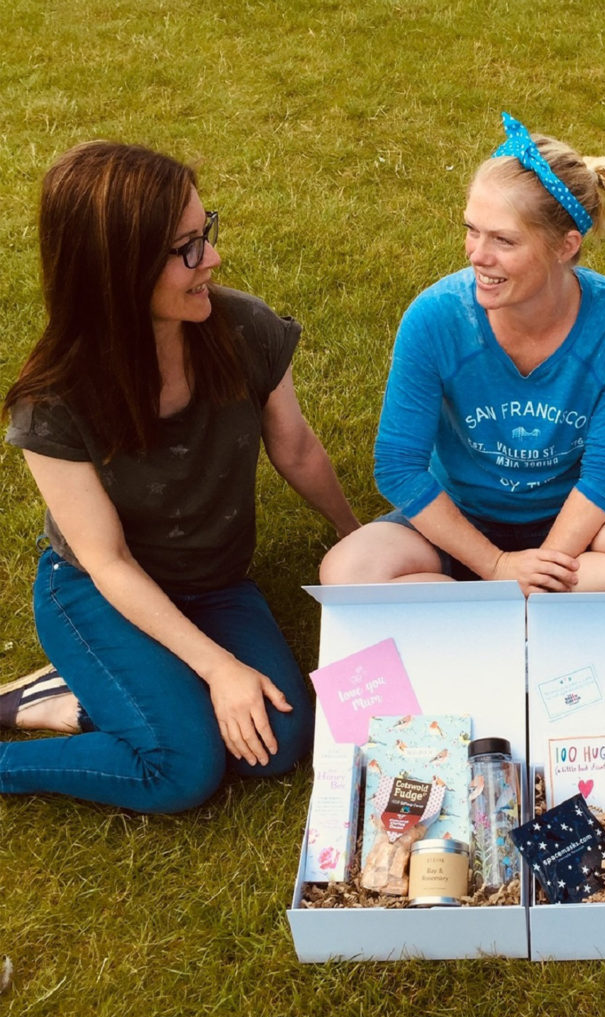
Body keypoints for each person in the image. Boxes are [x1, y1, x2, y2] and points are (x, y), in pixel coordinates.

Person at [0, 141, 359, 813]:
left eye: (206, 233)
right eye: (187, 248)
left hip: (213, 583)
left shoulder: (241, 328)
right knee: (181, 769)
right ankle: (27, 741)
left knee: (276, 743)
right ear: (118, 271)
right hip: (98, 593)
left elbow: (297, 448)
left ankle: (87, 696)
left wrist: (355, 536)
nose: (213, 260)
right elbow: (105, 562)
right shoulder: (52, 399)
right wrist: (219, 667)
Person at [320, 112, 605, 595]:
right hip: (458, 517)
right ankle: (511, 598)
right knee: (346, 571)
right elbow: (398, 466)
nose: (477, 254)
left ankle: (478, 603)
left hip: (575, 521)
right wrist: (497, 565)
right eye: (472, 229)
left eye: (503, 239)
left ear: (566, 246)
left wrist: (546, 568)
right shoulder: (436, 316)